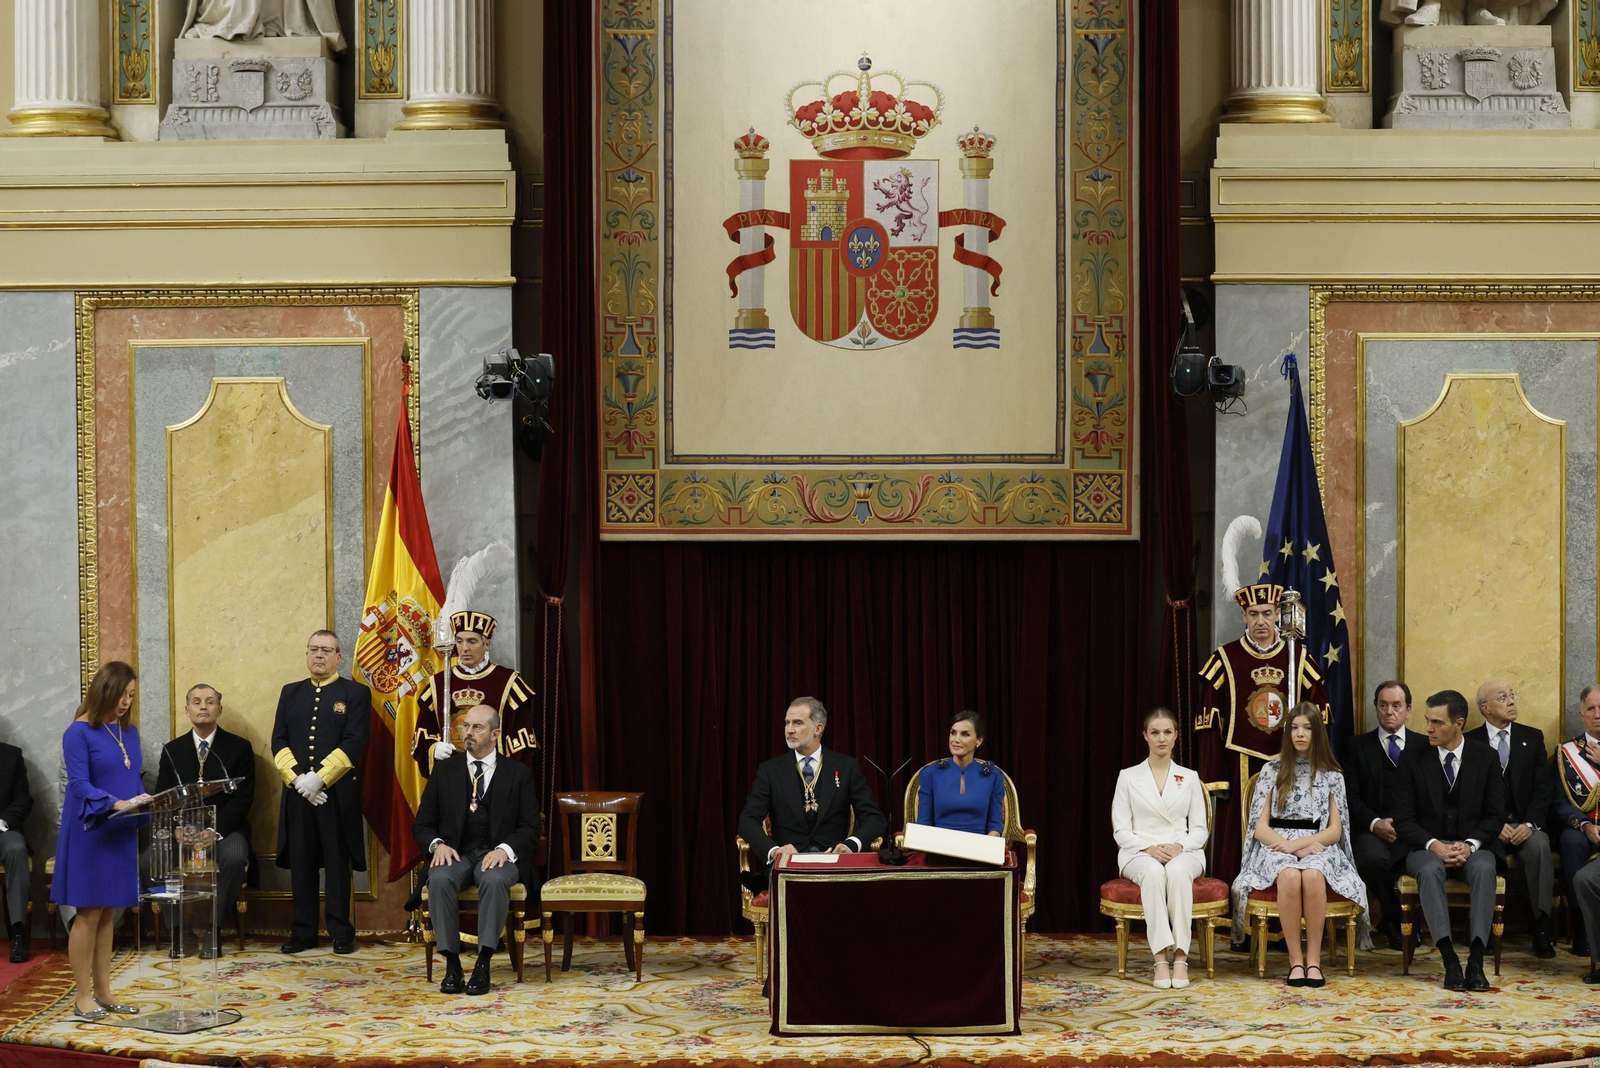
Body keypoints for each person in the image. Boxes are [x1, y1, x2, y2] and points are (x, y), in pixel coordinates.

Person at [1196, 575, 1329, 908]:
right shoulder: (1225, 658)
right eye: (1253, 614)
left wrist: (1314, 769)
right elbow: (1207, 721)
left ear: (1278, 616)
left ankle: (1287, 918)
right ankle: (1242, 914)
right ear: (1244, 617)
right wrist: (1215, 777)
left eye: (1267, 613)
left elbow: (1320, 715)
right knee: (1241, 838)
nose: (1261, 621)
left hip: (1291, 766)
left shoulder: (1298, 658)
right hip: (1240, 763)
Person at [1232, 703, 1368, 988]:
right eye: (1294, 728)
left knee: (1314, 875)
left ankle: (1314, 961)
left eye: (1307, 728)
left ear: (1317, 732)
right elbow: (1259, 827)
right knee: (1291, 875)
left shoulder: (1332, 774)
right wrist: (1290, 847)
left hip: (1318, 844)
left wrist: (1305, 845)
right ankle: (1296, 961)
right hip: (1276, 844)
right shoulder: (1271, 771)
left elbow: (1335, 830)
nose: (1300, 734)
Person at [413, 704, 540, 996]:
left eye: (476, 727)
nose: (467, 733)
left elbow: (530, 827)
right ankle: (452, 965)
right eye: (465, 727)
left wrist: (505, 849)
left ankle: (483, 964)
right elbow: (423, 824)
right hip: (456, 853)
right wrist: (437, 845)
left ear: (495, 734)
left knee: (495, 880)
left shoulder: (518, 774)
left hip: (497, 855)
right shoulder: (444, 771)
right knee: (440, 878)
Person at [52, 662, 152, 1020]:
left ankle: (105, 992)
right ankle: (82, 996)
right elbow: (78, 784)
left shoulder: (130, 731)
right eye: (122, 694)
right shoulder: (77, 733)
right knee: (88, 914)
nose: (126, 702)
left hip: (120, 831)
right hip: (91, 830)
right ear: (104, 690)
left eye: (131, 695)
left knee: (109, 914)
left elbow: (131, 780)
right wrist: (115, 803)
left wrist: (144, 799)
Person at [1392, 689, 1507, 992]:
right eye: (1427, 721)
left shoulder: (1486, 757)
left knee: (1484, 868)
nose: (1428, 728)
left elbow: (1495, 816)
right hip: (1425, 846)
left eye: (1437, 723)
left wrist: (1470, 845)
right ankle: (1450, 961)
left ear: (1459, 724)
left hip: (1473, 846)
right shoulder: (1412, 757)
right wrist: (1435, 845)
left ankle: (1477, 961)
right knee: (1429, 870)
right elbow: (1403, 819)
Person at [271, 630, 370, 955]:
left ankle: (341, 931)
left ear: (338, 657)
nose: (319, 655)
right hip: (298, 795)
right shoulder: (291, 693)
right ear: (306, 654)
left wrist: (320, 780)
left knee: (337, 864)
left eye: (326, 650)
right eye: (313, 649)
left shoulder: (355, 694)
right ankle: (303, 932)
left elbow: (354, 741)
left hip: (336, 796)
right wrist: (300, 780)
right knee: (302, 862)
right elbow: (279, 741)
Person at [149, 683, 257, 959]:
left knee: (235, 856)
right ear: (187, 711)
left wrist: (215, 831)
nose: (203, 707)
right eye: (196, 702)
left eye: (210, 702)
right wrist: (174, 829)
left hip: (224, 828)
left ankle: (214, 928)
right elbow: (163, 797)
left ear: (219, 709)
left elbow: (243, 800)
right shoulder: (172, 750)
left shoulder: (239, 748)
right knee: (148, 860)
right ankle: (180, 931)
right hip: (182, 830)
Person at [737, 697, 886, 892]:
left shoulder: (846, 767)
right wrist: (775, 851)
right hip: (787, 868)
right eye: (787, 723)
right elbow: (747, 821)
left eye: (797, 723)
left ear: (818, 729)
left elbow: (875, 819)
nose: (789, 729)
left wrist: (850, 844)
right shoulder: (771, 771)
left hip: (834, 866)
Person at [1112, 709, 1210, 989]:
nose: (1161, 738)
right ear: (1145, 736)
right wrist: (1149, 848)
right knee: (1154, 874)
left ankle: (1181, 957)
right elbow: (1120, 830)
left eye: (1167, 732)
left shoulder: (1190, 777)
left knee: (1178, 874)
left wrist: (1180, 845)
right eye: (1155, 732)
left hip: (1184, 851)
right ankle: (1160, 958)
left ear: (1177, 735)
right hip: (1139, 852)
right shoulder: (1128, 777)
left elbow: (1200, 830)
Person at [1464, 679, 1556, 958]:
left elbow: (1543, 788)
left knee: (1540, 847)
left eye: (1512, 695)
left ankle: (1541, 927)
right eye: (1502, 697)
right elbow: (1467, 794)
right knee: (1484, 856)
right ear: (1485, 708)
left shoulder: (1533, 737)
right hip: (1490, 827)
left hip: (1527, 825)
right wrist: (1493, 826)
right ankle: (1486, 928)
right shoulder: (1470, 741)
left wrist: (1530, 824)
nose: (1512, 701)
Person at [1343, 680, 1428, 950]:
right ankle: (1392, 920)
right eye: (1383, 705)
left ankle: (1414, 919)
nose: (1389, 711)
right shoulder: (1356, 747)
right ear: (1376, 708)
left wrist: (1408, 827)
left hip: (1413, 829)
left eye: (1396, 705)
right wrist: (1375, 823)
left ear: (1408, 709)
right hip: (1371, 828)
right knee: (1371, 858)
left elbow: (1432, 798)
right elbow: (1350, 797)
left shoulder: (1425, 746)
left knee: (1418, 858)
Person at [409, 611, 536, 779]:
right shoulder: (438, 683)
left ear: (487, 644)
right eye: (459, 641)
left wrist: (507, 779)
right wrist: (433, 749)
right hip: (452, 777)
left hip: (495, 778)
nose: (464, 648)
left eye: (472, 641)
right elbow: (423, 734)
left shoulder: (507, 681)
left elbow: (522, 741)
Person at [1552, 684, 1600, 958]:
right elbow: (1559, 801)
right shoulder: (1566, 753)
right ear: (1581, 714)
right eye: (1591, 709)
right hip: (1584, 828)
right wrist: (1585, 825)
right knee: (1571, 842)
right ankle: (1582, 926)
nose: (1597, 714)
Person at [915, 711, 1005, 836]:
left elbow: (995, 825)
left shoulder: (993, 776)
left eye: (965, 734)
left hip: (978, 850)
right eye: (953, 733)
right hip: (940, 848)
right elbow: (924, 823)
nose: (956, 739)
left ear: (979, 740)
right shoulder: (930, 773)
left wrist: (986, 850)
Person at [0, 739, 33, 963]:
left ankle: (18, 932)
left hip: (3, 827)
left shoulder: (11, 755)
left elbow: (23, 800)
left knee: (17, 849)